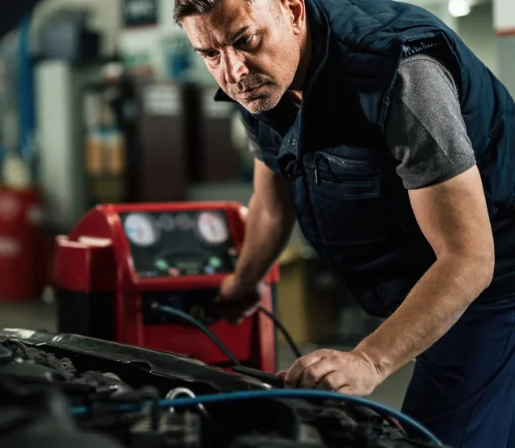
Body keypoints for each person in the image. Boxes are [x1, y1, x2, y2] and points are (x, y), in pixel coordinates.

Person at [174, 0, 515, 445]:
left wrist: (369, 361)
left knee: (440, 437)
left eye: (245, 40)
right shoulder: (260, 82)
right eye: (210, 54)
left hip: (495, 282)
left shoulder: (399, 72)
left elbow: (469, 258)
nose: (234, 70)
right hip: (428, 275)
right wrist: (242, 284)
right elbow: (272, 202)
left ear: (293, 12)